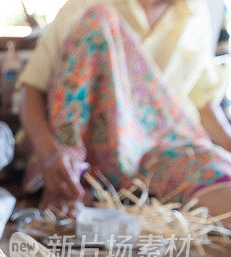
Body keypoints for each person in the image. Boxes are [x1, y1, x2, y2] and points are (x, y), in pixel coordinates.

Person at [19, 0, 231, 221]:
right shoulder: (86, 6)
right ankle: (69, 187)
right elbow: (32, 88)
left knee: (217, 173)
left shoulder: (194, 12)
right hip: (89, 156)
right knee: (98, 19)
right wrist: (50, 153)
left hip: (157, 150)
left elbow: (204, 102)